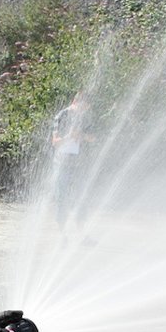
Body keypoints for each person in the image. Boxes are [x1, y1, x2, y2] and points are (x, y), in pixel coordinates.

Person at [51, 92, 93, 231]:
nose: (83, 111)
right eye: (82, 107)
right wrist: (68, 137)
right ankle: (61, 234)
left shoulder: (84, 118)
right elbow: (55, 143)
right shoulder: (62, 116)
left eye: (85, 109)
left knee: (82, 197)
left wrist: (81, 135)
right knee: (61, 197)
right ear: (75, 102)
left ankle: (81, 233)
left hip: (79, 164)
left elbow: (93, 138)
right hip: (62, 164)